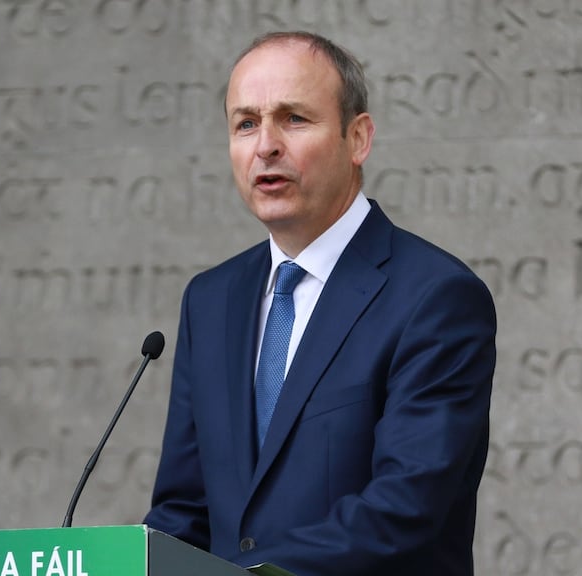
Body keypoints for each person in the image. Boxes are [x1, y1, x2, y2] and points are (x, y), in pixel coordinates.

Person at [144, 31, 496, 576]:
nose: (265, 145)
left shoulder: (435, 297)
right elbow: (184, 511)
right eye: (246, 123)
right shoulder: (210, 301)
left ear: (358, 139)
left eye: (293, 119)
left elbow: (404, 510)